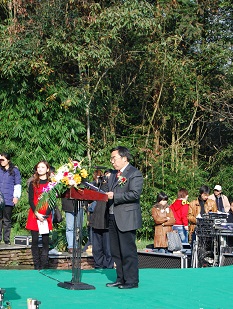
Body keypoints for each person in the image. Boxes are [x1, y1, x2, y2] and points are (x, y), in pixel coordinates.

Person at [105, 146, 143, 289]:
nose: (112, 161)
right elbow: (107, 191)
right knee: (115, 251)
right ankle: (120, 278)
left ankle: (131, 280)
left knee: (128, 250)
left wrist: (115, 196)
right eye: (111, 159)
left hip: (127, 217)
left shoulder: (134, 173)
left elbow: (135, 194)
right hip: (113, 216)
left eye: (114, 158)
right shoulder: (114, 174)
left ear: (124, 158)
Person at [26, 161, 53, 269]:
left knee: (46, 240)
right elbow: (31, 200)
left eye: (43, 167)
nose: (40, 169)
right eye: (38, 167)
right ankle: (36, 265)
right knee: (35, 240)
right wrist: (37, 213)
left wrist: (45, 215)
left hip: (46, 213)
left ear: (47, 169)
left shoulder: (52, 184)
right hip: (34, 213)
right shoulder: (33, 183)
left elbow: (53, 201)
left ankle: (44, 264)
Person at [90, 169, 114, 269]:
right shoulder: (99, 185)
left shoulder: (114, 186)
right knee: (97, 246)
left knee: (108, 247)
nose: (107, 177)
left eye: (109, 175)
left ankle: (108, 265)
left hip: (108, 218)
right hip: (97, 217)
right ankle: (98, 264)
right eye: (106, 175)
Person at [0, 152, 22, 245]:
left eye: (2, 159)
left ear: (8, 160)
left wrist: (16, 196)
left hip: (8, 198)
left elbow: (17, 184)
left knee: (7, 219)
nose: (1, 161)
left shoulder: (14, 171)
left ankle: (6, 239)